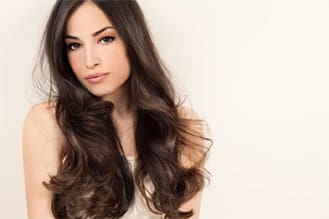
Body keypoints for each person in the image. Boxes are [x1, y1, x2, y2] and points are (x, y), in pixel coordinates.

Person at [22, 0, 212, 218]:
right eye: (74, 45)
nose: (90, 61)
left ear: (133, 40)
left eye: (105, 39)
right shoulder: (50, 122)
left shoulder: (183, 127)